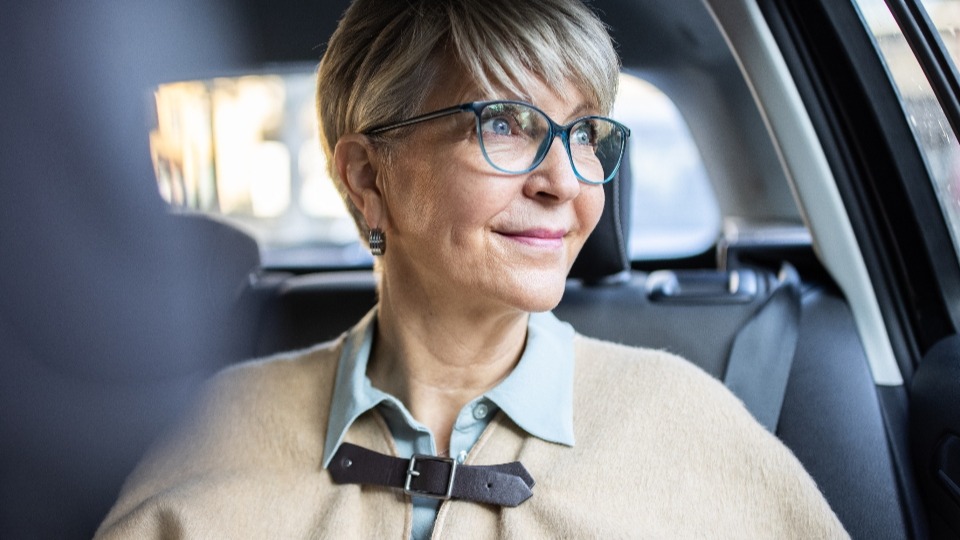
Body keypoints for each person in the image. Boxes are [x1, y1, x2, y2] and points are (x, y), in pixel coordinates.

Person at [96, 0, 848, 537]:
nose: (566, 181)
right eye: (508, 124)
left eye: (585, 134)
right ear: (367, 179)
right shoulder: (214, 430)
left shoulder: (690, 426)